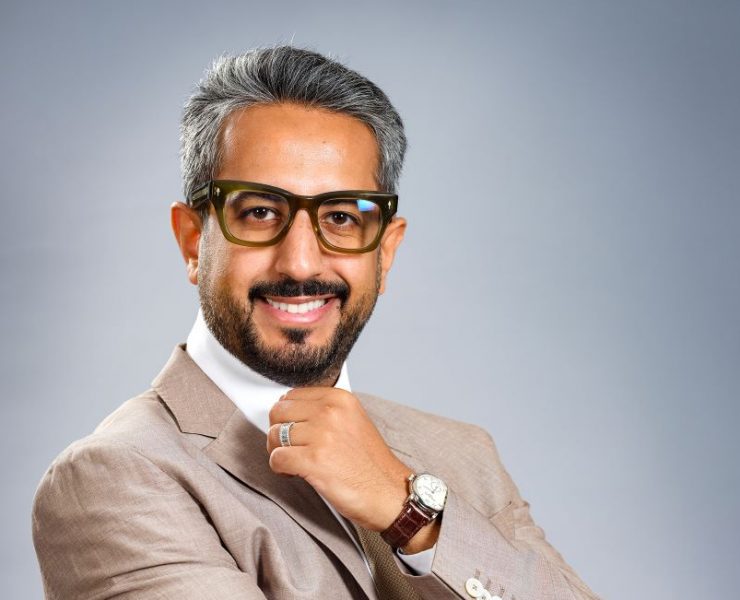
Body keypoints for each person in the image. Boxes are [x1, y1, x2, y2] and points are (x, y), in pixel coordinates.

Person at [32, 46, 599, 600]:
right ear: (191, 241)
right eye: (259, 212)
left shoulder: (465, 456)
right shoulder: (113, 475)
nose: (301, 263)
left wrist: (409, 513)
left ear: (385, 252)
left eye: (341, 217)